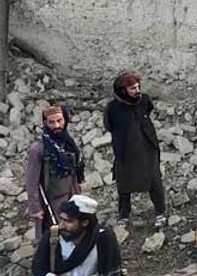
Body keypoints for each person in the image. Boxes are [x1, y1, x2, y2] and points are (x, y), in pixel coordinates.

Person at [104, 72, 166, 228]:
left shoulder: (143, 100)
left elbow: (148, 110)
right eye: (132, 88)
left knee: (154, 180)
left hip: (147, 148)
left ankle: (160, 212)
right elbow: (108, 125)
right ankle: (123, 215)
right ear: (123, 91)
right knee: (124, 183)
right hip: (124, 151)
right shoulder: (112, 108)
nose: (137, 91)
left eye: (138, 87)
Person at [26, 105, 85, 241]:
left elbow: (75, 169)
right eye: (51, 122)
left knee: (74, 234)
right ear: (45, 123)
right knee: (53, 238)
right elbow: (31, 182)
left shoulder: (68, 144)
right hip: (51, 202)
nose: (56, 125)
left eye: (59, 120)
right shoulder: (38, 149)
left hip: (71, 195)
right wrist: (35, 208)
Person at [32, 195, 123, 276]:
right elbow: (38, 268)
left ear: (84, 222)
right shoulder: (52, 235)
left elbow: (112, 271)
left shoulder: (103, 237)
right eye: (61, 219)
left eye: (68, 221)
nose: (61, 225)